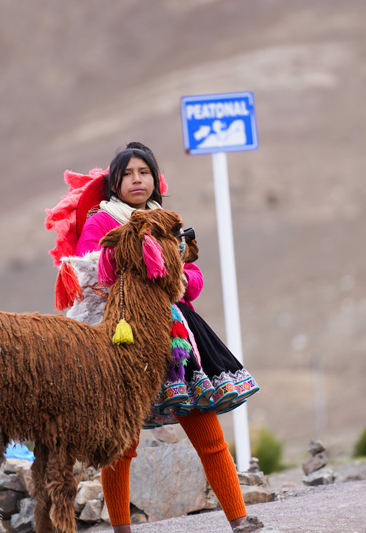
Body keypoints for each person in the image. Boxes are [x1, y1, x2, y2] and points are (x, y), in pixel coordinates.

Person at [74, 142, 260, 532]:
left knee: (206, 429)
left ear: (155, 179)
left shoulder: (167, 220)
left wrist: (176, 277)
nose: (136, 180)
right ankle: (122, 528)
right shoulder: (101, 222)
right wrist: (143, 274)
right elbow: (88, 276)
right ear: (114, 182)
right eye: (126, 174)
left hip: (178, 337)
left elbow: (192, 277)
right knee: (123, 444)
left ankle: (239, 518)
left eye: (143, 172)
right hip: (125, 340)